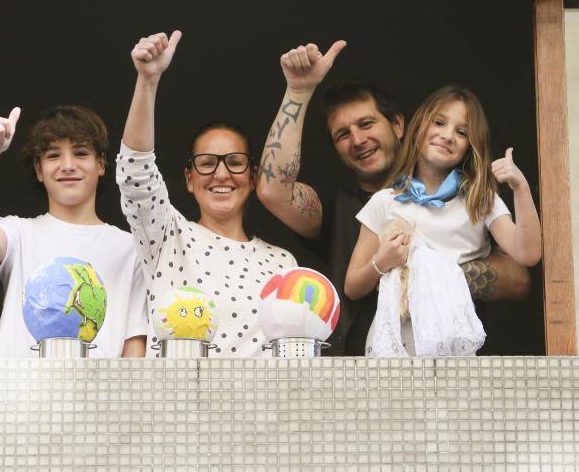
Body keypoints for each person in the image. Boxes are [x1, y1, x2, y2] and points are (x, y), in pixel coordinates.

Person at [256, 41, 530, 355]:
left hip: (448, 365)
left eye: (366, 123)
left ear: (399, 124)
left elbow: (519, 275)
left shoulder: (468, 197)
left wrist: (434, 273)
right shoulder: (340, 208)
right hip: (363, 374)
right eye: (342, 135)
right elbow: (273, 189)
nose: (358, 140)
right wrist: (298, 91)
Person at [117, 31, 296, 357]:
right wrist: (148, 80)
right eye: (207, 163)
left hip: (257, 407)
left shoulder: (283, 264)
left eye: (235, 163)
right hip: (176, 404)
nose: (222, 173)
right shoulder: (166, 237)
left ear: (253, 177)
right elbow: (135, 174)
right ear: (188, 178)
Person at [344, 85, 542, 356]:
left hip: (452, 342)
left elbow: (527, 254)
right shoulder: (385, 200)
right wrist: (383, 260)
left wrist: (521, 188)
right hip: (393, 342)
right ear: (418, 127)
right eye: (439, 122)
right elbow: (353, 286)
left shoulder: (480, 199)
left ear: (470, 147)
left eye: (462, 132)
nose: (447, 135)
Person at [0, 105, 148, 358]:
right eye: (53, 156)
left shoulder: (130, 249)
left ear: (101, 165)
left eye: (81, 153)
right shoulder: (21, 234)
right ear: (39, 170)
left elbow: (134, 347)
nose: (68, 165)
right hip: (14, 394)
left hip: (96, 395)